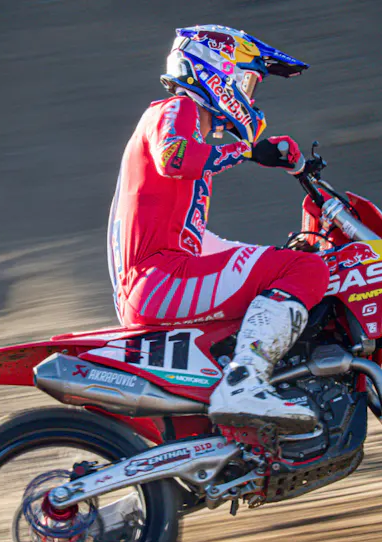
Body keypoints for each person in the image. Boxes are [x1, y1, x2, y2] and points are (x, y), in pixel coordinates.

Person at [107, 25, 330, 434]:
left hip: (158, 281)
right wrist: (247, 151)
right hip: (159, 279)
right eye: (247, 81)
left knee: (288, 266)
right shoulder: (178, 108)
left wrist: (270, 257)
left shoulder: (190, 128)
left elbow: (198, 241)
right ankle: (244, 384)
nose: (249, 96)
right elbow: (174, 157)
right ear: (217, 72)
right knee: (307, 270)